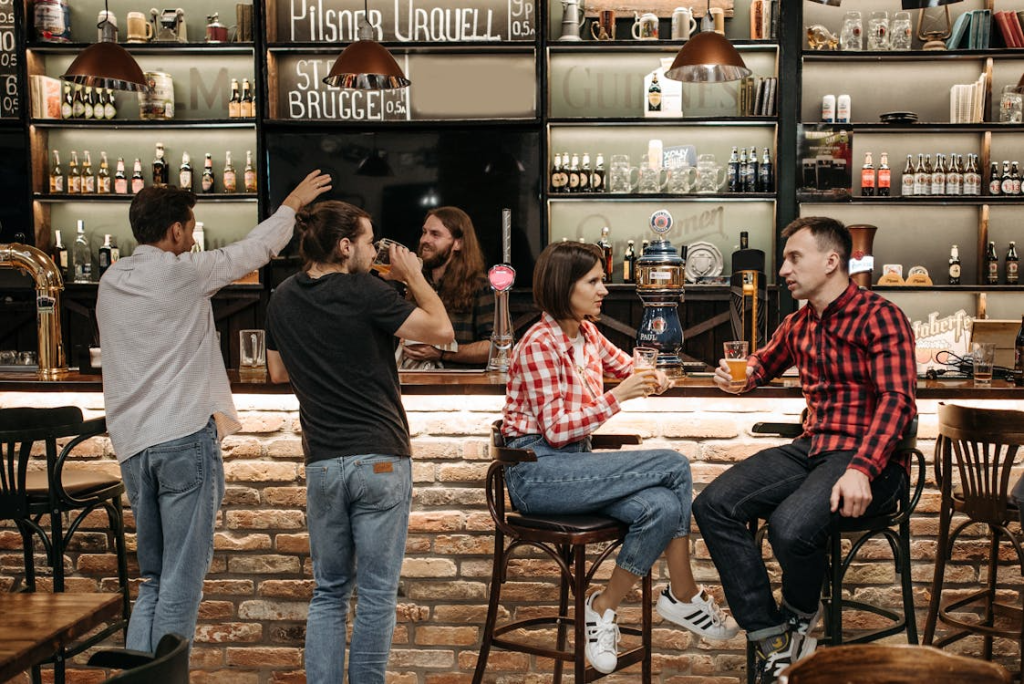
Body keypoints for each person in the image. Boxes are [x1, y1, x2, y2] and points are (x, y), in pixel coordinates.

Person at [96, 170, 331, 652]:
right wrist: (291, 203)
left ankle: (141, 680)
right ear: (175, 230)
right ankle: (167, 680)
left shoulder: (111, 279)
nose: (191, 239)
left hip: (134, 449)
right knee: (181, 582)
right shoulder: (184, 273)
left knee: (154, 579)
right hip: (182, 440)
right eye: (189, 229)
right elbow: (255, 249)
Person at [692, 217, 918, 684]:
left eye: (795, 258)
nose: (784, 270)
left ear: (832, 261)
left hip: (871, 460)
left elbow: (898, 401)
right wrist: (737, 376)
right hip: (814, 448)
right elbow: (761, 364)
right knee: (713, 504)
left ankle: (799, 616)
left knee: (790, 527)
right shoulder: (798, 323)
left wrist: (862, 468)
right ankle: (772, 637)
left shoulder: (881, 316)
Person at [501, 241, 739, 675]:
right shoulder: (538, 343)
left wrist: (655, 376)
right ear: (564, 285)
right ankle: (684, 593)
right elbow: (556, 430)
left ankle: (602, 606)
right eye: (593, 281)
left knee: (663, 506)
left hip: (577, 466)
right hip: (537, 474)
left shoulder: (587, 335)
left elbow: (631, 366)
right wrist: (619, 396)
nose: (604, 290)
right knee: (673, 464)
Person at [264, 201, 453, 683]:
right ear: (345, 246)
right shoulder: (365, 290)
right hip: (380, 458)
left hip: (323, 463)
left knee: (329, 592)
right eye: (369, 242)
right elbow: (441, 330)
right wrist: (414, 276)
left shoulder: (282, 297)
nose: (374, 252)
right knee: (375, 595)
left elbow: (277, 371)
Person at [399, 206, 494, 368]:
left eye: (435, 234)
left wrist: (443, 353)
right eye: (424, 232)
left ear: (458, 243)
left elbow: (495, 347)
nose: (424, 240)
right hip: (412, 379)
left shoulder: (480, 286)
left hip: (459, 381)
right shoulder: (416, 281)